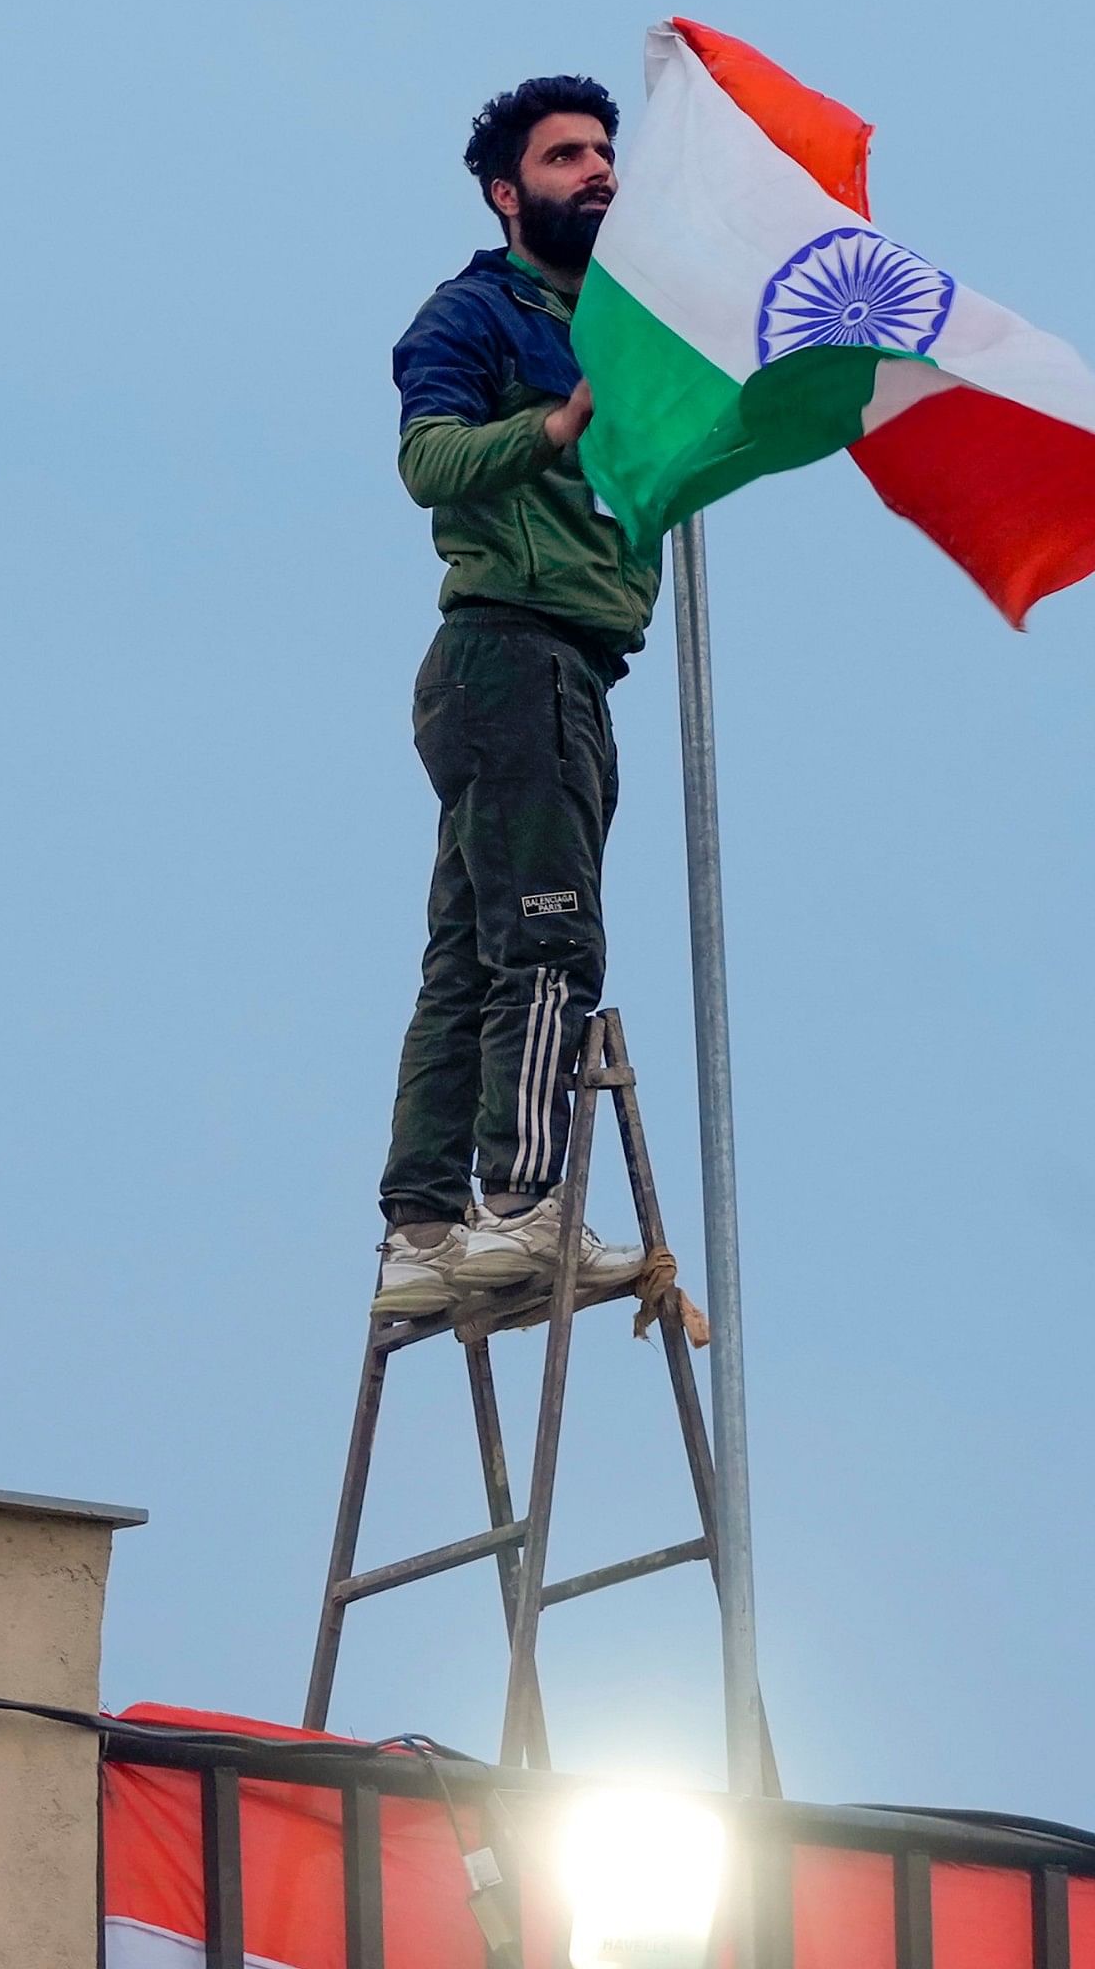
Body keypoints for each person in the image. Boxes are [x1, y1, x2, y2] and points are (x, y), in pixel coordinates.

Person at [372, 76, 660, 1318]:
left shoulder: (628, 318)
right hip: (513, 653)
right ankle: (527, 1205)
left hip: (563, 666)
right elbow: (429, 462)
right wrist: (558, 422)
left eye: (605, 151)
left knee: (469, 954)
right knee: (547, 940)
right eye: (565, 156)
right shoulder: (476, 314)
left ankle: (422, 1230)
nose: (597, 169)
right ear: (507, 191)